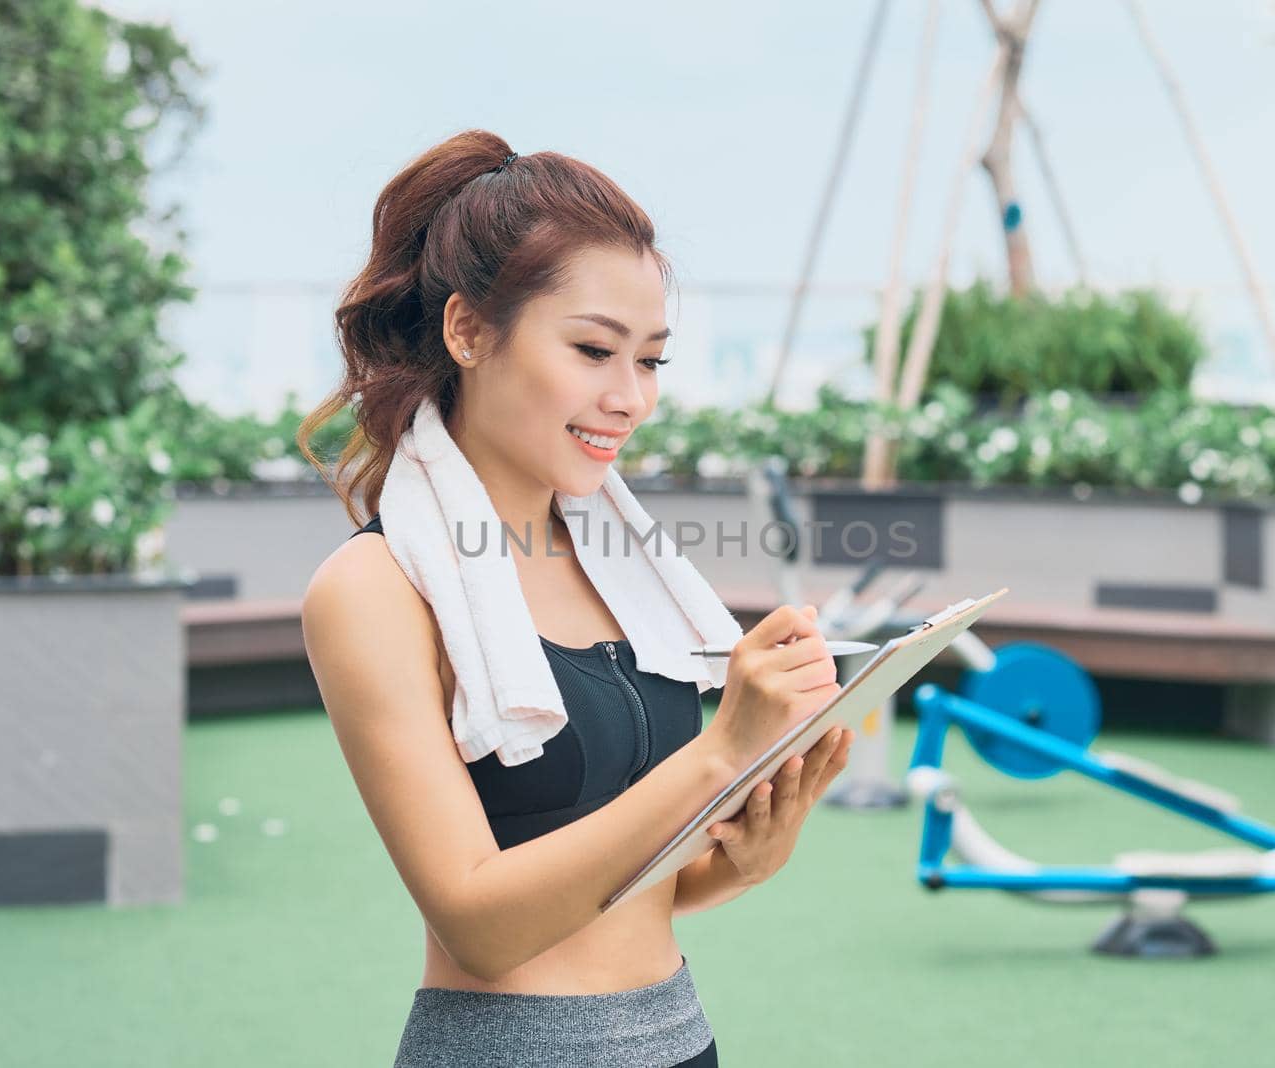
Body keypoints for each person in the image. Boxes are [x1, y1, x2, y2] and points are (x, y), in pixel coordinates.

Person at [297, 128, 856, 1067]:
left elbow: (638, 885)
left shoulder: (625, 570)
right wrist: (721, 752)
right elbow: (479, 922)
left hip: (679, 1040)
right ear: (468, 331)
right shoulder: (376, 587)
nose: (630, 397)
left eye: (651, 361)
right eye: (596, 350)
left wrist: (740, 861)